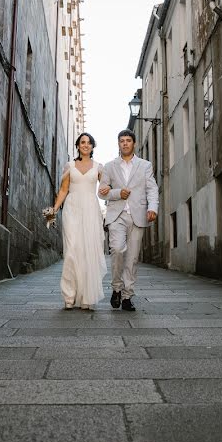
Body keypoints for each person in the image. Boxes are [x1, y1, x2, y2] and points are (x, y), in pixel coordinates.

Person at [98, 129, 159, 311]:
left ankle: (127, 296)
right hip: (116, 215)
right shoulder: (109, 166)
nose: (125, 143)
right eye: (122, 141)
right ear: (118, 144)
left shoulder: (145, 165)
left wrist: (152, 208)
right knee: (117, 249)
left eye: (128, 140)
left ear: (134, 143)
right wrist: (118, 193)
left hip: (138, 215)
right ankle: (116, 288)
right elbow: (102, 192)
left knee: (132, 258)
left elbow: (152, 189)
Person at [50, 132, 107, 310]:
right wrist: (54, 209)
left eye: (89, 143)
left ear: (92, 146)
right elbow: (63, 190)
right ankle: (69, 295)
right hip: (72, 210)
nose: (85, 145)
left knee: (88, 252)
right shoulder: (70, 165)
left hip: (91, 210)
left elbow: (104, 188)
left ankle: (86, 297)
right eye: (82, 142)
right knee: (72, 251)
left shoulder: (99, 167)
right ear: (78, 145)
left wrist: (108, 190)